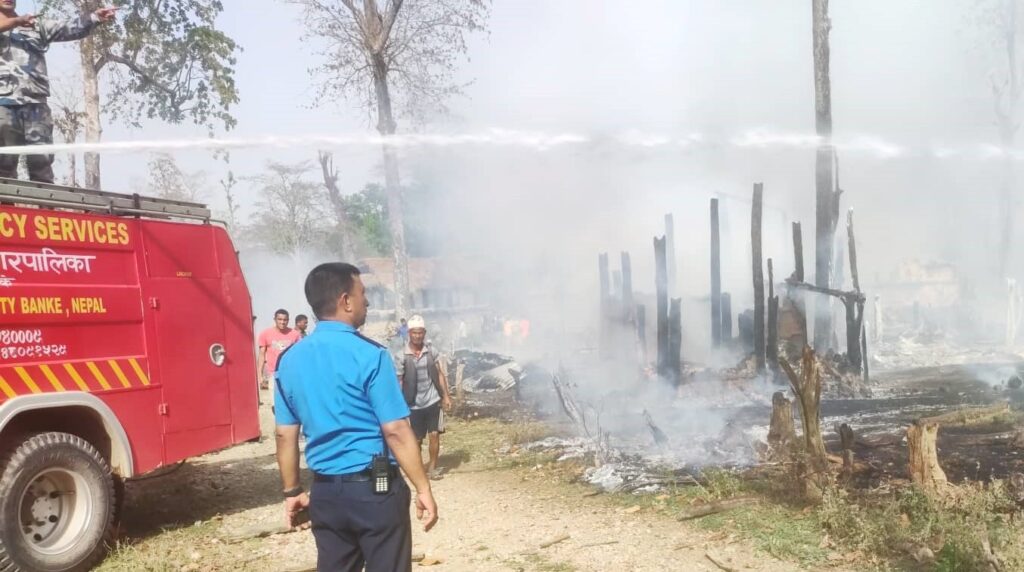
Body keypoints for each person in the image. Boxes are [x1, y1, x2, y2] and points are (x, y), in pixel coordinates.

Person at [275, 263, 437, 572]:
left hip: (325, 493)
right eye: (363, 293)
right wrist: (423, 488)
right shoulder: (370, 354)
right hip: (375, 490)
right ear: (345, 301)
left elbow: (285, 435)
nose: (368, 301)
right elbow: (396, 430)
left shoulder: (288, 360)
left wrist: (292, 491)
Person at [0, 2, 116, 183]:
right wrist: (16, 21)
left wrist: (94, 17)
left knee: (42, 163)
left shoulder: (34, 25)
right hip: (4, 105)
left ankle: (44, 201)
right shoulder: (18, 22)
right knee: (3, 166)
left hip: (36, 105)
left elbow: (68, 28)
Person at [396, 315, 452, 479]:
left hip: (433, 400)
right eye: (414, 333)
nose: (417, 336)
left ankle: (432, 468)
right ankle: (419, 469)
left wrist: (446, 396)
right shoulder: (402, 355)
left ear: (424, 333)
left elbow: (440, 374)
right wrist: (399, 405)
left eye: (420, 333)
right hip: (413, 404)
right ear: (409, 333)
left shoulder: (431, 351)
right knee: (417, 440)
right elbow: (399, 381)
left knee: (434, 434)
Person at [257, 309, 301, 391]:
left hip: (289, 374)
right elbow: (261, 355)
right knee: (273, 398)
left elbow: (298, 355)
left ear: (288, 320)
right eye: (280, 319)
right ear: (275, 319)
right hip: (273, 374)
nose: (282, 322)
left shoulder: (295, 334)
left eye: (285, 320)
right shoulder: (265, 334)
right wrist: (259, 374)